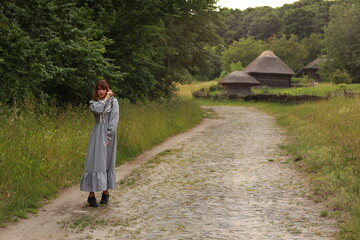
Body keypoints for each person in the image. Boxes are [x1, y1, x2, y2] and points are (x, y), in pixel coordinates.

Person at [80, 80, 119, 207]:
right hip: (97, 133)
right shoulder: (94, 103)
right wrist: (106, 98)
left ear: (107, 89)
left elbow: (114, 119)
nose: (101, 91)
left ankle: (105, 192)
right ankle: (91, 195)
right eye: (99, 89)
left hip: (108, 134)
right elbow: (98, 110)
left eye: (103, 89)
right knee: (94, 161)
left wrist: (109, 135)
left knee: (106, 161)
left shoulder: (114, 102)